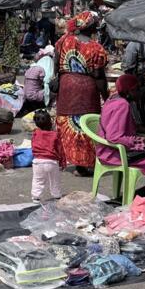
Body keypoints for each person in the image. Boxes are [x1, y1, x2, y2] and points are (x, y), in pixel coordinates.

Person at [54, 11, 108, 175]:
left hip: (66, 87)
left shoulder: (64, 41)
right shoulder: (96, 48)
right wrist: (106, 96)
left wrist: (61, 77)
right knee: (85, 124)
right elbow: (99, 76)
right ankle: (82, 165)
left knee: (67, 122)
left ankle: (65, 159)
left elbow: (56, 62)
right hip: (86, 89)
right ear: (92, 26)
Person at [31, 110, 67, 203]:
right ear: (50, 122)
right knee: (55, 180)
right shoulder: (55, 135)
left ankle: (36, 197)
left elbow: (33, 146)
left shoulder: (35, 133)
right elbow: (60, 149)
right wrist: (63, 162)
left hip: (37, 161)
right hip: (52, 162)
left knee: (38, 180)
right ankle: (57, 196)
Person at [21, 45, 56, 115]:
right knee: (51, 92)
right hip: (34, 95)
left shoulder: (30, 68)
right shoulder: (41, 69)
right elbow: (46, 81)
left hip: (25, 94)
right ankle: (46, 106)